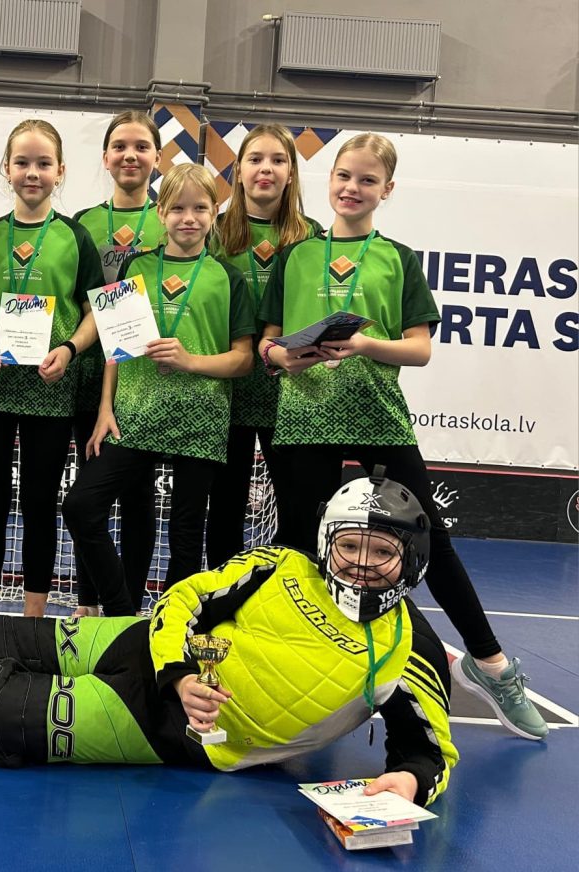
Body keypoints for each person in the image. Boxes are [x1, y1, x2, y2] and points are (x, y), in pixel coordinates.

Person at [0, 472, 458, 808]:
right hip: (143, 647)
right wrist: (180, 674)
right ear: (328, 542)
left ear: (410, 560)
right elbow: (184, 597)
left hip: (168, 732)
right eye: (349, 545)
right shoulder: (281, 566)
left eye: (381, 552)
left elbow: (428, 752)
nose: (360, 564)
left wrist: (409, 782)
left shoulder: (408, 649)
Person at [258, 133, 548, 740]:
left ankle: (490, 664)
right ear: (329, 180)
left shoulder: (399, 259)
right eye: (344, 176)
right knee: (299, 545)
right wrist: (286, 356)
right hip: (303, 415)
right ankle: (301, 664)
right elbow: (268, 343)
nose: (352, 188)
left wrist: (365, 343)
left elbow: (419, 349)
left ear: (386, 189)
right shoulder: (295, 256)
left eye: (367, 180)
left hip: (377, 414)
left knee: (429, 538)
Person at [62, 163, 255, 617]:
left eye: (200, 208)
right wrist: (105, 407)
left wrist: (191, 361)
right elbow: (115, 343)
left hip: (201, 421)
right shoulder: (138, 265)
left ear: (214, 212)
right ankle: (121, 613)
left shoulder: (228, 278)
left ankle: (171, 623)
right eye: (178, 209)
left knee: (186, 536)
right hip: (135, 414)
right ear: (161, 212)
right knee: (81, 506)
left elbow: (244, 359)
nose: (189, 218)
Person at [0, 119, 103, 618]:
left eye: (44, 163)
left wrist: (69, 349)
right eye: (22, 162)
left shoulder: (75, 238)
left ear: (60, 171)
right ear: (7, 168)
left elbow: (94, 313)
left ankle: (34, 618)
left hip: (51, 390)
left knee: (40, 504)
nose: (33, 172)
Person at [205, 124, 321, 566]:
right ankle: (222, 593)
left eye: (277, 160)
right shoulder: (213, 232)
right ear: (238, 170)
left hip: (290, 392)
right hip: (228, 389)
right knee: (225, 507)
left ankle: (290, 592)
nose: (265, 169)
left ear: (291, 173)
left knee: (297, 507)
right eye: (255, 159)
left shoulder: (313, 237)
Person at [69, 110, 166, 616]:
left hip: (140, 380)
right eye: (120, 147)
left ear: (157, 157)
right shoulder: (83, 222)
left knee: (139, 497)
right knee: (89, 490)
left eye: (141, 147)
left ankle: (127, 607)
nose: (131, 155)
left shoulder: (171, 218)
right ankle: (88, 602)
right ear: (105, 157)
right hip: (89, 374)